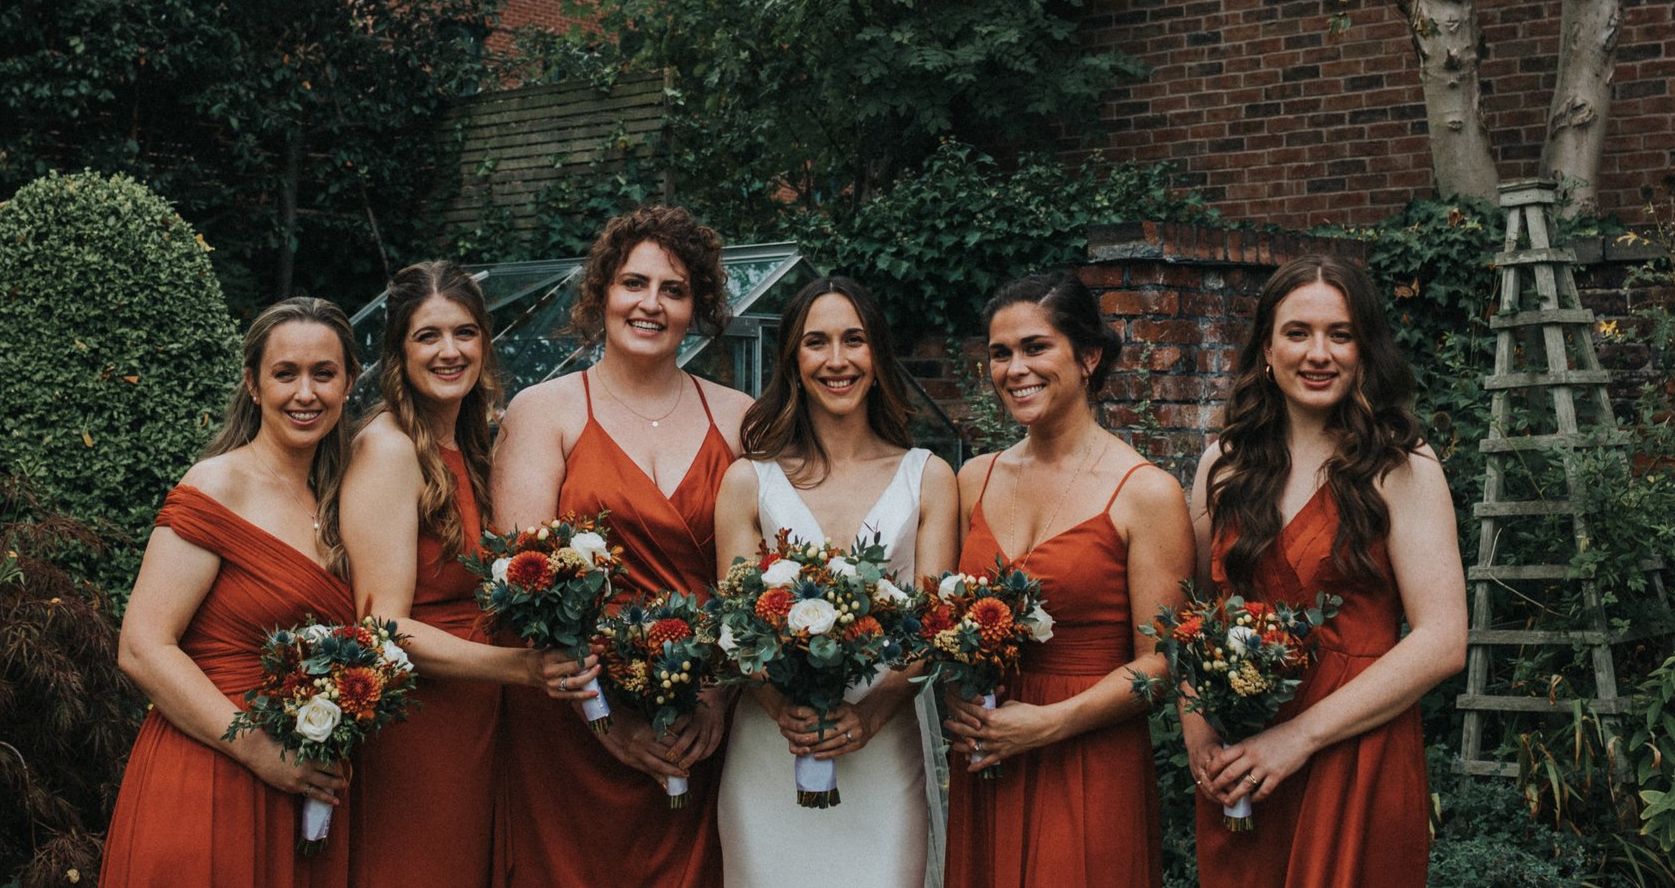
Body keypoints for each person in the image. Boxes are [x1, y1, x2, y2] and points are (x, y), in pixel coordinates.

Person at [494, 205, 756, 888]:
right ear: (602, 292)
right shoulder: (543, 410)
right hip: (574, 722)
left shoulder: (738, 416)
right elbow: (524, 590)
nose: (651, 303)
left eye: (674, 289)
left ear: (697, 305)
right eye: (633, 282)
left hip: (696, 718)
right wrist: (605, 719)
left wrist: (718, 701)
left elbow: (754, 586)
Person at [1186, 254, 1466, 888]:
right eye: (1297, 332)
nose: (1319, 353)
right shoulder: (1221, 468)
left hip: (1357, 754)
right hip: (1245, 764)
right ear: (1265, 347)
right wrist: (1199, 736)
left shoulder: (1404, 467)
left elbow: (1443, 640)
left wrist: (1298, 739)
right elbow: (1189, 623)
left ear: (1366, 349)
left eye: (1340, 334)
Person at [339, 261, 596, 888]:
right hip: (419, 724)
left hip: (480, 715)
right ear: (399, 349)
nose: (450, 351)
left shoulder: (472, 443)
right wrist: (525, 670)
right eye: (428, 336)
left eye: (465, 332)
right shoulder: (388, 448)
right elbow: (383, 627)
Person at [101, 298, 363, 888]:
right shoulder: (219, 483)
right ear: (252, 383)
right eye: (284, 373)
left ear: (349, 382)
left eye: (324, 374)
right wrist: (260, 752)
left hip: (306, 777)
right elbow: (142, 646)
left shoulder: (343, 498)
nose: (305, 393)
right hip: (214, 766)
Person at [941, 273, 1192, 888]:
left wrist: (1051, 722)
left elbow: (1161, 666)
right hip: (990, 751)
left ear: (1088, 356)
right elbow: (943, 623)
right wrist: (956, 695)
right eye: (1000, 353)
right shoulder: (973, 478)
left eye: (1035, 347)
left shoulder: (1145, 493)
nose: (1015, 368)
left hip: (1087, 759)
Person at [713, 276, 958, 888]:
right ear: (794, 361)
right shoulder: (749, 482)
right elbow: (736, 630)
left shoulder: (927, 478)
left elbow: (932, 632)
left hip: (882, 748)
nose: (838, 360)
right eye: (816, 343)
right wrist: (782, 710)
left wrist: (871, 714)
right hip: (771, 751)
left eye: (854, 340)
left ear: (878, 355)